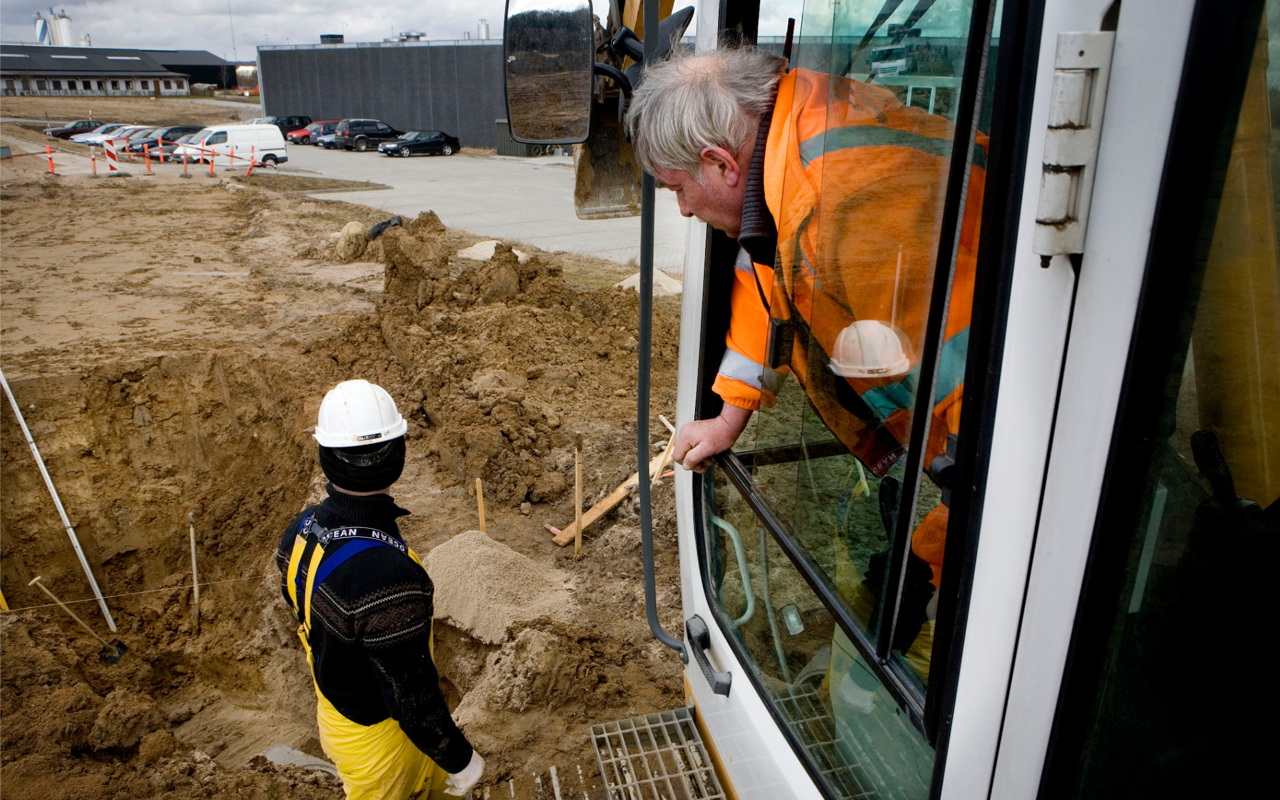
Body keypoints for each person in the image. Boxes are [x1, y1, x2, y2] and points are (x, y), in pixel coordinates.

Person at [626, 46, 981, 487]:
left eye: (677, 187)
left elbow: (974, 389)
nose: (682, 209)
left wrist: (957, 528)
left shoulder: (842, 215)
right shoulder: (796, 119)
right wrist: (727, 419)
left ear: (721, 163)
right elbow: (766, 286)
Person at [276, 379, 484, 800]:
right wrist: (460, 759)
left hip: (337, 712)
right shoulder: (386, 577)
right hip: (382, 743)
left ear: (325, 457)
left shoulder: (301, 528)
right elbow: (409, 694)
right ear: (399, 457)